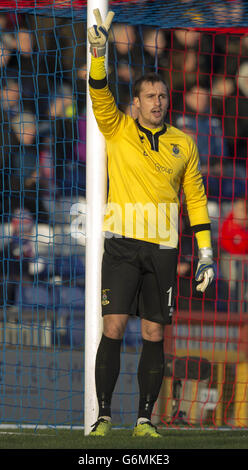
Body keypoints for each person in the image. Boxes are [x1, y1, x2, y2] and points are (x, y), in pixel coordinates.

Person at [87, 9, 215, 438]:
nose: (158, 102)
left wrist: (206, 253)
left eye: (162, 96)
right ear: (136, 103)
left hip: (163, 248)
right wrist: (98, 54)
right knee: (114, 326)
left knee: (155, 330)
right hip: (122, 243)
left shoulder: (184, 144)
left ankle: (144, 418)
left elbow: (195, 199)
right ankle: (103, 415)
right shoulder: (117, 128)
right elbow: (99, 93)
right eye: (150, 97)